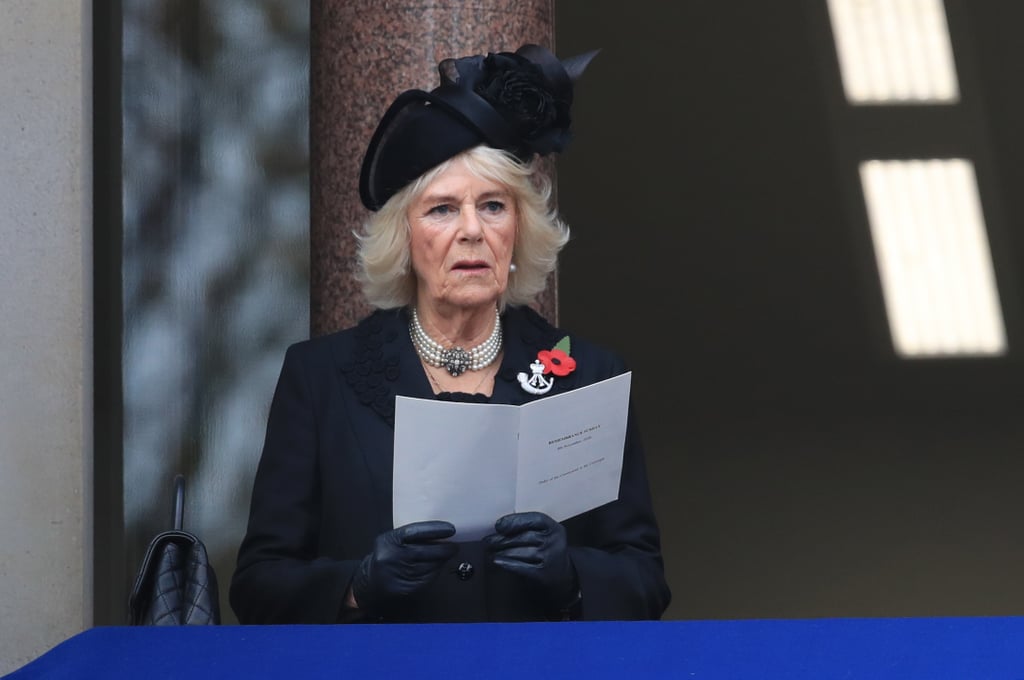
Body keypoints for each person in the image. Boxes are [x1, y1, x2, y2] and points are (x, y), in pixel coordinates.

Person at [230, 43, 671, 623]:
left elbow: (645, 580)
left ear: (518, 232)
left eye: (492, 206)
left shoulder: (589, 377)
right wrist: (357, 585)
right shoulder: (320, 379)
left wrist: (572, 577)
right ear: (404, 241)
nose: (471, 231)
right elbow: (258, 586)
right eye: (441, 210)